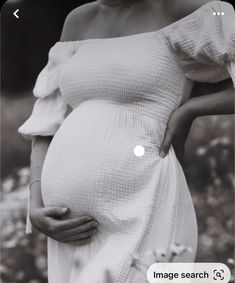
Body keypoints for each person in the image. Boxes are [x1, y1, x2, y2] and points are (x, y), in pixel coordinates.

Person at [18, 0, 235, 282]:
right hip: (68, 231)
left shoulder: (186, 11)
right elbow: (46, 121)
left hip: (144, 207)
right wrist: (35, 204)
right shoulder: (77, 20)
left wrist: (190, 110)